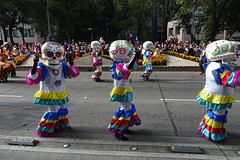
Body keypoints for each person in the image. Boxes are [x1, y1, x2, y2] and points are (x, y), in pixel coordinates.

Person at [26, 42, 80, 137]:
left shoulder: (62, 65)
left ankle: (60, 125)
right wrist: (34, 65)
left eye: (58, 54)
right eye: (50, 54)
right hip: (50, 93)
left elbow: (71, 73)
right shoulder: (43, 67)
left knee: (63, 109)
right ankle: (45, 129)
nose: (54, 57)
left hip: (60, 91)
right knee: (53, 111)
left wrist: (71, 63)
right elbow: (34, 76)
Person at [197, 40, 240, 141]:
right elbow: (232, 79)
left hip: (215, 93)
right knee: (218, 113)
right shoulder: (220, 68)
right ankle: (214, 134)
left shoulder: (211, 65)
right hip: (220, 96)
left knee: (215, 112)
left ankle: (205, 128)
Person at [107, 39, 142, 141]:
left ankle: (124, 127)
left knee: (128, 108)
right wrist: (134, 55)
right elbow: (129, 66)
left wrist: (136, 55)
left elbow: (132, 64)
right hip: (122, 91)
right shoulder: (119, 66)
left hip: (125, 90)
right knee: (125, 109)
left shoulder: (121, 63)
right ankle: (118, 131)